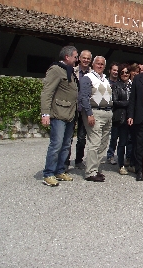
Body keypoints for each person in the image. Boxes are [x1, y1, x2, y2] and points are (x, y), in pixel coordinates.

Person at [41, 46, 79, 187]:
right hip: (58, 113)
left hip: (70, 113)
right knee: (56, 144)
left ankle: (60, 170)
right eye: (75, 57)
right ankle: (48, 173)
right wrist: (45, 113)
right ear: (67, 57)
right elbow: (47, 92)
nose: (77, 59)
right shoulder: (56, 70)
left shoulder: (69, 71)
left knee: (66, 145)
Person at [79, 56, 114, 182]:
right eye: (97, 63)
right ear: (93, 65)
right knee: (95, 142)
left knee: (103, 143)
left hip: (107, 113)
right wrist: (89, 114)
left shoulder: (105, 79)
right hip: (94, 112)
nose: (100, 66)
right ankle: (90, 172)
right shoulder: (88, 78)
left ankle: (95, 168)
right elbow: (83, 97)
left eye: (102, 64)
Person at [67, 49, 91, 169]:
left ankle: (78, 160)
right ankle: (65, 162)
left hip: (85, 109)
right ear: (79, 59)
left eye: (88, 58)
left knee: (82, 137)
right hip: (72, 108)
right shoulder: (72, 71)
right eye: (84, 58)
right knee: (68, 136)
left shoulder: (92, 74)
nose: (86, 60)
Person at [111, 63, 132, 175]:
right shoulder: (116, 86)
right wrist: (129, 103)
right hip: (122, 117)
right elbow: (114, 101)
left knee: (131, 141)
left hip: (132, 117)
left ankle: (131, 163)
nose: (125, 74)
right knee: (122, 142)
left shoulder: (132, 85)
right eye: (122, 72)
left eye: (127, 72)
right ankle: (121, 164)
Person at [106, 61, 120, 165]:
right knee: (106, 136)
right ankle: (109, 154)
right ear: (110, 70)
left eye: (117, 70)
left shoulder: (120, 83)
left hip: (117, 112)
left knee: (115, 135)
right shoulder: (105, 82)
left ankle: (112, 155)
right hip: (107, 110)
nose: (115, 72)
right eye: (114, 70)